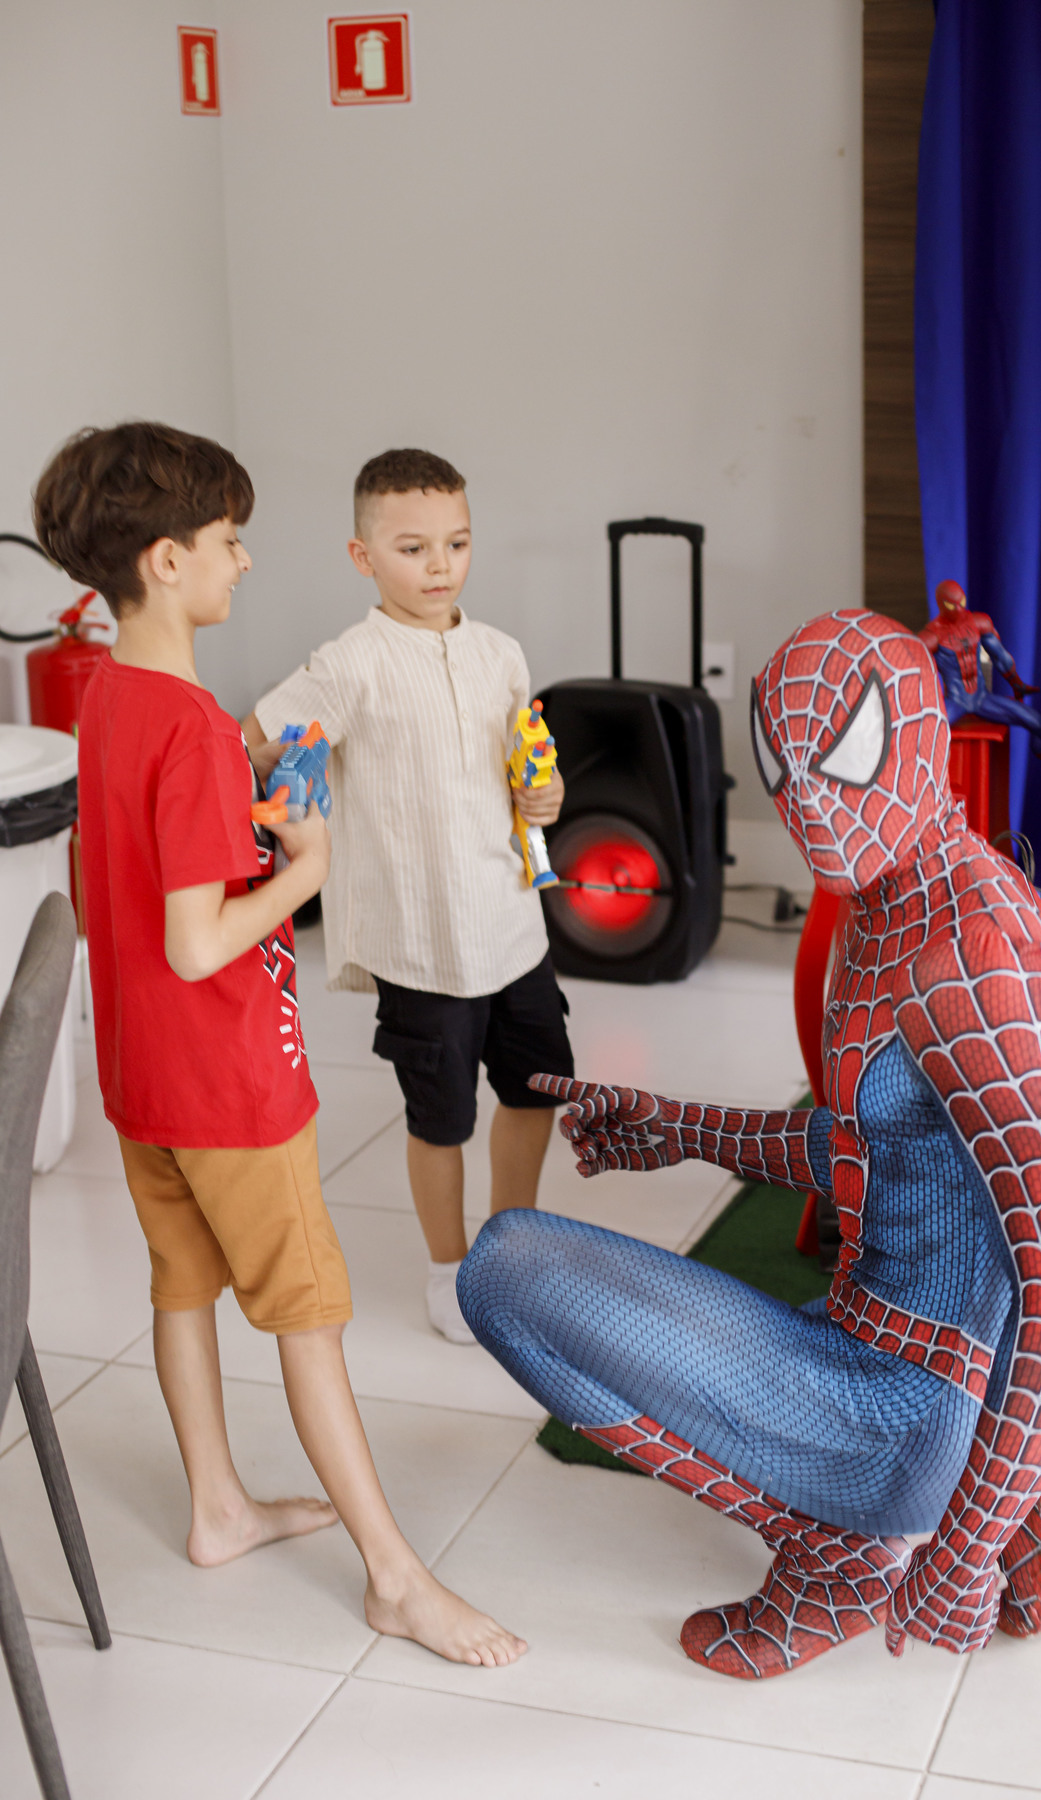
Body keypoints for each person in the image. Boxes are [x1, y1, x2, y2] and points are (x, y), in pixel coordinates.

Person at [457, 609, 1041, 1680]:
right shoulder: (899, 897)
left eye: (845, 756)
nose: (808, 800)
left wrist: (956, 1556)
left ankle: (845, 1556)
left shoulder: (974, 957)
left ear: (922, 738)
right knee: (537, 1276)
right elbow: (881, 1156)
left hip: (908, 1404)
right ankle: (1006, 1494)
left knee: (504, 1272)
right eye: (783, 765)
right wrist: (681, 1128)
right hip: (892, 1356)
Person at [34, 422, 524, 1669]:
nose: (243, 560)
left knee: (182, 1285)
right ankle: (396, 1577)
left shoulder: (105, 701)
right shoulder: (196, 725)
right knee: (308, 1317)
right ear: (165, 561)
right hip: (231, 1085)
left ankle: (217, 1508)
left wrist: (242, 830)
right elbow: (200, 941)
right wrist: (303, 866)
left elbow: (129, 890)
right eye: (227, 540)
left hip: (140, 1076)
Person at [243, 449, 574, 1345]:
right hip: (422, 944)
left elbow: (527, 773)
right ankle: (448, 1270)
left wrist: (545, 796)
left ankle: (512, 1249)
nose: (440, 566)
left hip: (513, 928)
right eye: (413, 548)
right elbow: (253, 737)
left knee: (535, 1090)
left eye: (457, 544)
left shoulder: (501, 654)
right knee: (441, 1118)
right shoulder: (349, 664)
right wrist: (282, 774)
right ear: (364, 557)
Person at [918, 577, 1041, 800]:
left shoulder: (978, 623)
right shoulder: (931, 636)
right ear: (941, 605)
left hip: (982, 698)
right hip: (956, 701)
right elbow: (913, 672)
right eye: (953, 606)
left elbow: (1001, 658)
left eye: (962, 602)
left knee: (1040, 724)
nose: (960, 610)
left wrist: (1017, 684)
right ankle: (919, 798)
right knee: (922, 734)